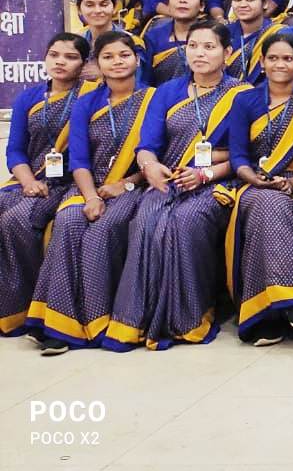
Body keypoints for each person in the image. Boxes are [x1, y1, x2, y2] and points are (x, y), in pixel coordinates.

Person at [106, 19, 248, 351]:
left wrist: (204, 174)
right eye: (193, 46)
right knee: (146, 220)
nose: (200, 53)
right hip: (168, 180)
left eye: (209, 47)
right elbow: (147, 145)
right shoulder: (167, 91)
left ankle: (188, 317)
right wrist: (150, 166)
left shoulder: (242, 95)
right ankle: (137, 319)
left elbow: (245, 156)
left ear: (227, 52)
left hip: (216, 182)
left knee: (185, 221)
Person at [23, 33, 146, 354]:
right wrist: (91, 197)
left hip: (132, 188)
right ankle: (59, 324)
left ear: (137, 60)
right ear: (97, 64)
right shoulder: (87, 102)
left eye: (124, 55)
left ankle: (98, 321)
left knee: (101, 232)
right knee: (67, 222)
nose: (117, 62)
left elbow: (155, 153)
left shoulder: (152, 99)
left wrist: (125, 183)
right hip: (87, 186)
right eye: (108, 56)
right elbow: (78, 159)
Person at [226, 33, 293, 346]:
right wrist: (252, 178)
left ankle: (264, 314)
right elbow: (238, 155)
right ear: (262, 63)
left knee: (271, 207)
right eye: (273, 58)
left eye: (288, 58)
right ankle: (292, 301)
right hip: (253, 182)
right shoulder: (245, 100)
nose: (280, 64)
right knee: (266, 203)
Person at [0, 34, 89, 338]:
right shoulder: (29, 98)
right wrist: (27, 181)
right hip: (30, 181)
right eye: (54, 55)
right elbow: (15, 150)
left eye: (70, 57)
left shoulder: (91, 96)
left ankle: (25, 306)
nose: (60, 62)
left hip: (68, 183)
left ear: (84, 63)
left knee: (16, 220)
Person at [75, 0, 149, 84]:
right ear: (79, 9)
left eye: (104, 4)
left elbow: (140, 82)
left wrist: (104, 73)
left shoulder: (133, 42)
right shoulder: (76, 43)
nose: (97, 10)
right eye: (90, 5)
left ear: (114, 7)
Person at [141, 0, 206, 85]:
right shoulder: (153, 37)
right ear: (168, 4)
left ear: (201, 6)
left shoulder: (212, 36)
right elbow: (145, 80)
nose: (182, 0)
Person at [222, 0, 285, 84]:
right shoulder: (223, 33)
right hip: (224, 92)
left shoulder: (278, 34)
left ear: (265, 3)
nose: (242, 5)